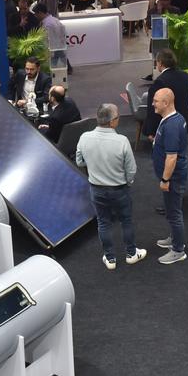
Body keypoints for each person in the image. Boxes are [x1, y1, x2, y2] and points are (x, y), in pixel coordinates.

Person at [75, 103, 146, 270]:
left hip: (96, 189)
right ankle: (131, 254)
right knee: (126, 221)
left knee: (103, 223)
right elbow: (131, 169)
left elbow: (79, 161)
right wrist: (128, 183)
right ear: (113, 121)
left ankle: (110, 258)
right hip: (119, 189)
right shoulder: (121, 141)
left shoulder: (84, 137)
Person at [150, 87, 188, 265]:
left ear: (166, 103)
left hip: (172, 178)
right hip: (174, 176)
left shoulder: (172, 125)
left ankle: (178, 249)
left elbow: (171, 157)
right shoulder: (173, 119)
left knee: (174, 213)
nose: (153, 104)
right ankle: (174, 238)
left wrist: (165, 180)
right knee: (173, 211)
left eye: (156, 101)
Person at [142, 49, 188, 137]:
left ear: (160, 63)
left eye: (156, 62)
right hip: (182, 123)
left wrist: (151, 132)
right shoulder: (185, 76)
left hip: (166, 127)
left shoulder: (160, 82)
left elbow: (153, 109)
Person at [33, 2, 71, 73]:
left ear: (40, 13)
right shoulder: (54, 20)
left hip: (53, 47)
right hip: (58, 45)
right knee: (60, 56)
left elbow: (48, 38)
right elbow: (63, 32)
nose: (35, 16)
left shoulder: (48, 24)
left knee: (55, 60)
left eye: (36, 14)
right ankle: (68, 68)